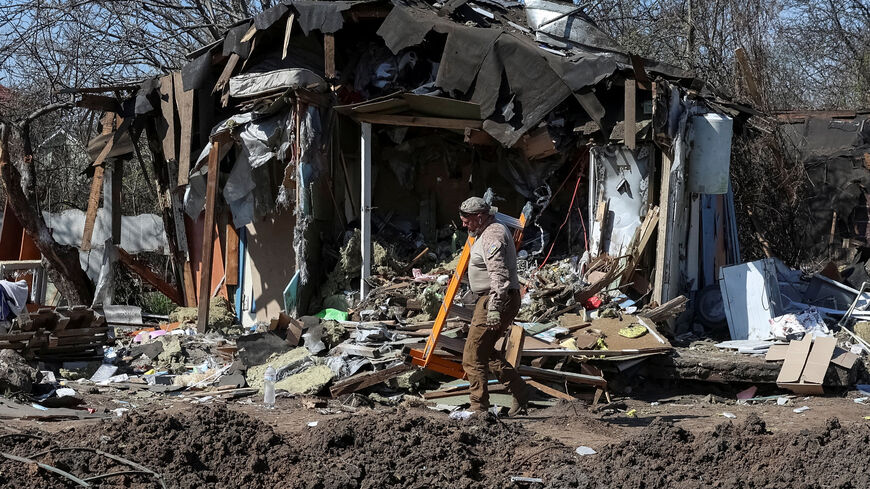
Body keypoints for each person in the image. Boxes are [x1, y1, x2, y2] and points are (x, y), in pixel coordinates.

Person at [458, 196, 529, 416]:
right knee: (485, 352)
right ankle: (520, 392)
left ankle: (479, 410)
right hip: (496, 297)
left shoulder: (492, 235)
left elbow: (499, 274)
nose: (463, 224)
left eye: (466, 220)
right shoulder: (486, 230)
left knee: (472, 356)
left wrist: (494, 307)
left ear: (479, 217)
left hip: (495, 298)